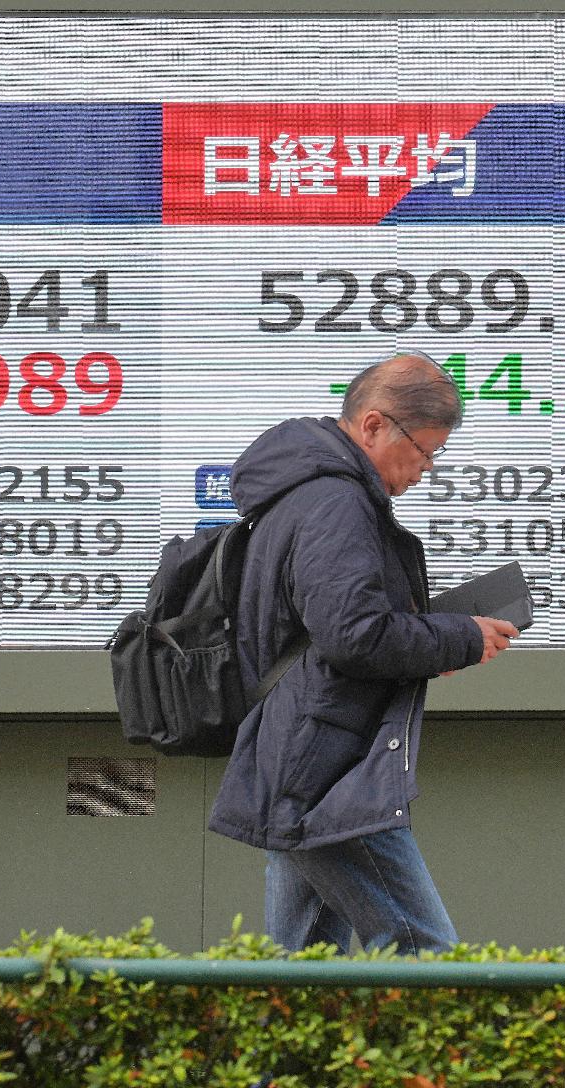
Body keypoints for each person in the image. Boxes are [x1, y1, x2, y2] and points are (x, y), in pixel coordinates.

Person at [208, 351, 518, 956]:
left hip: (302, 755)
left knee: (303, 968)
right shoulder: (335, 502)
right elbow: (354, 635)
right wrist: (458, 635)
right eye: (425, 452)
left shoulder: (305, 493)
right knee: (425, 951)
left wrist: (429, 645)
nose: (426, 469)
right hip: (327, 770)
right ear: (374, 425)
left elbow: (340, 630)